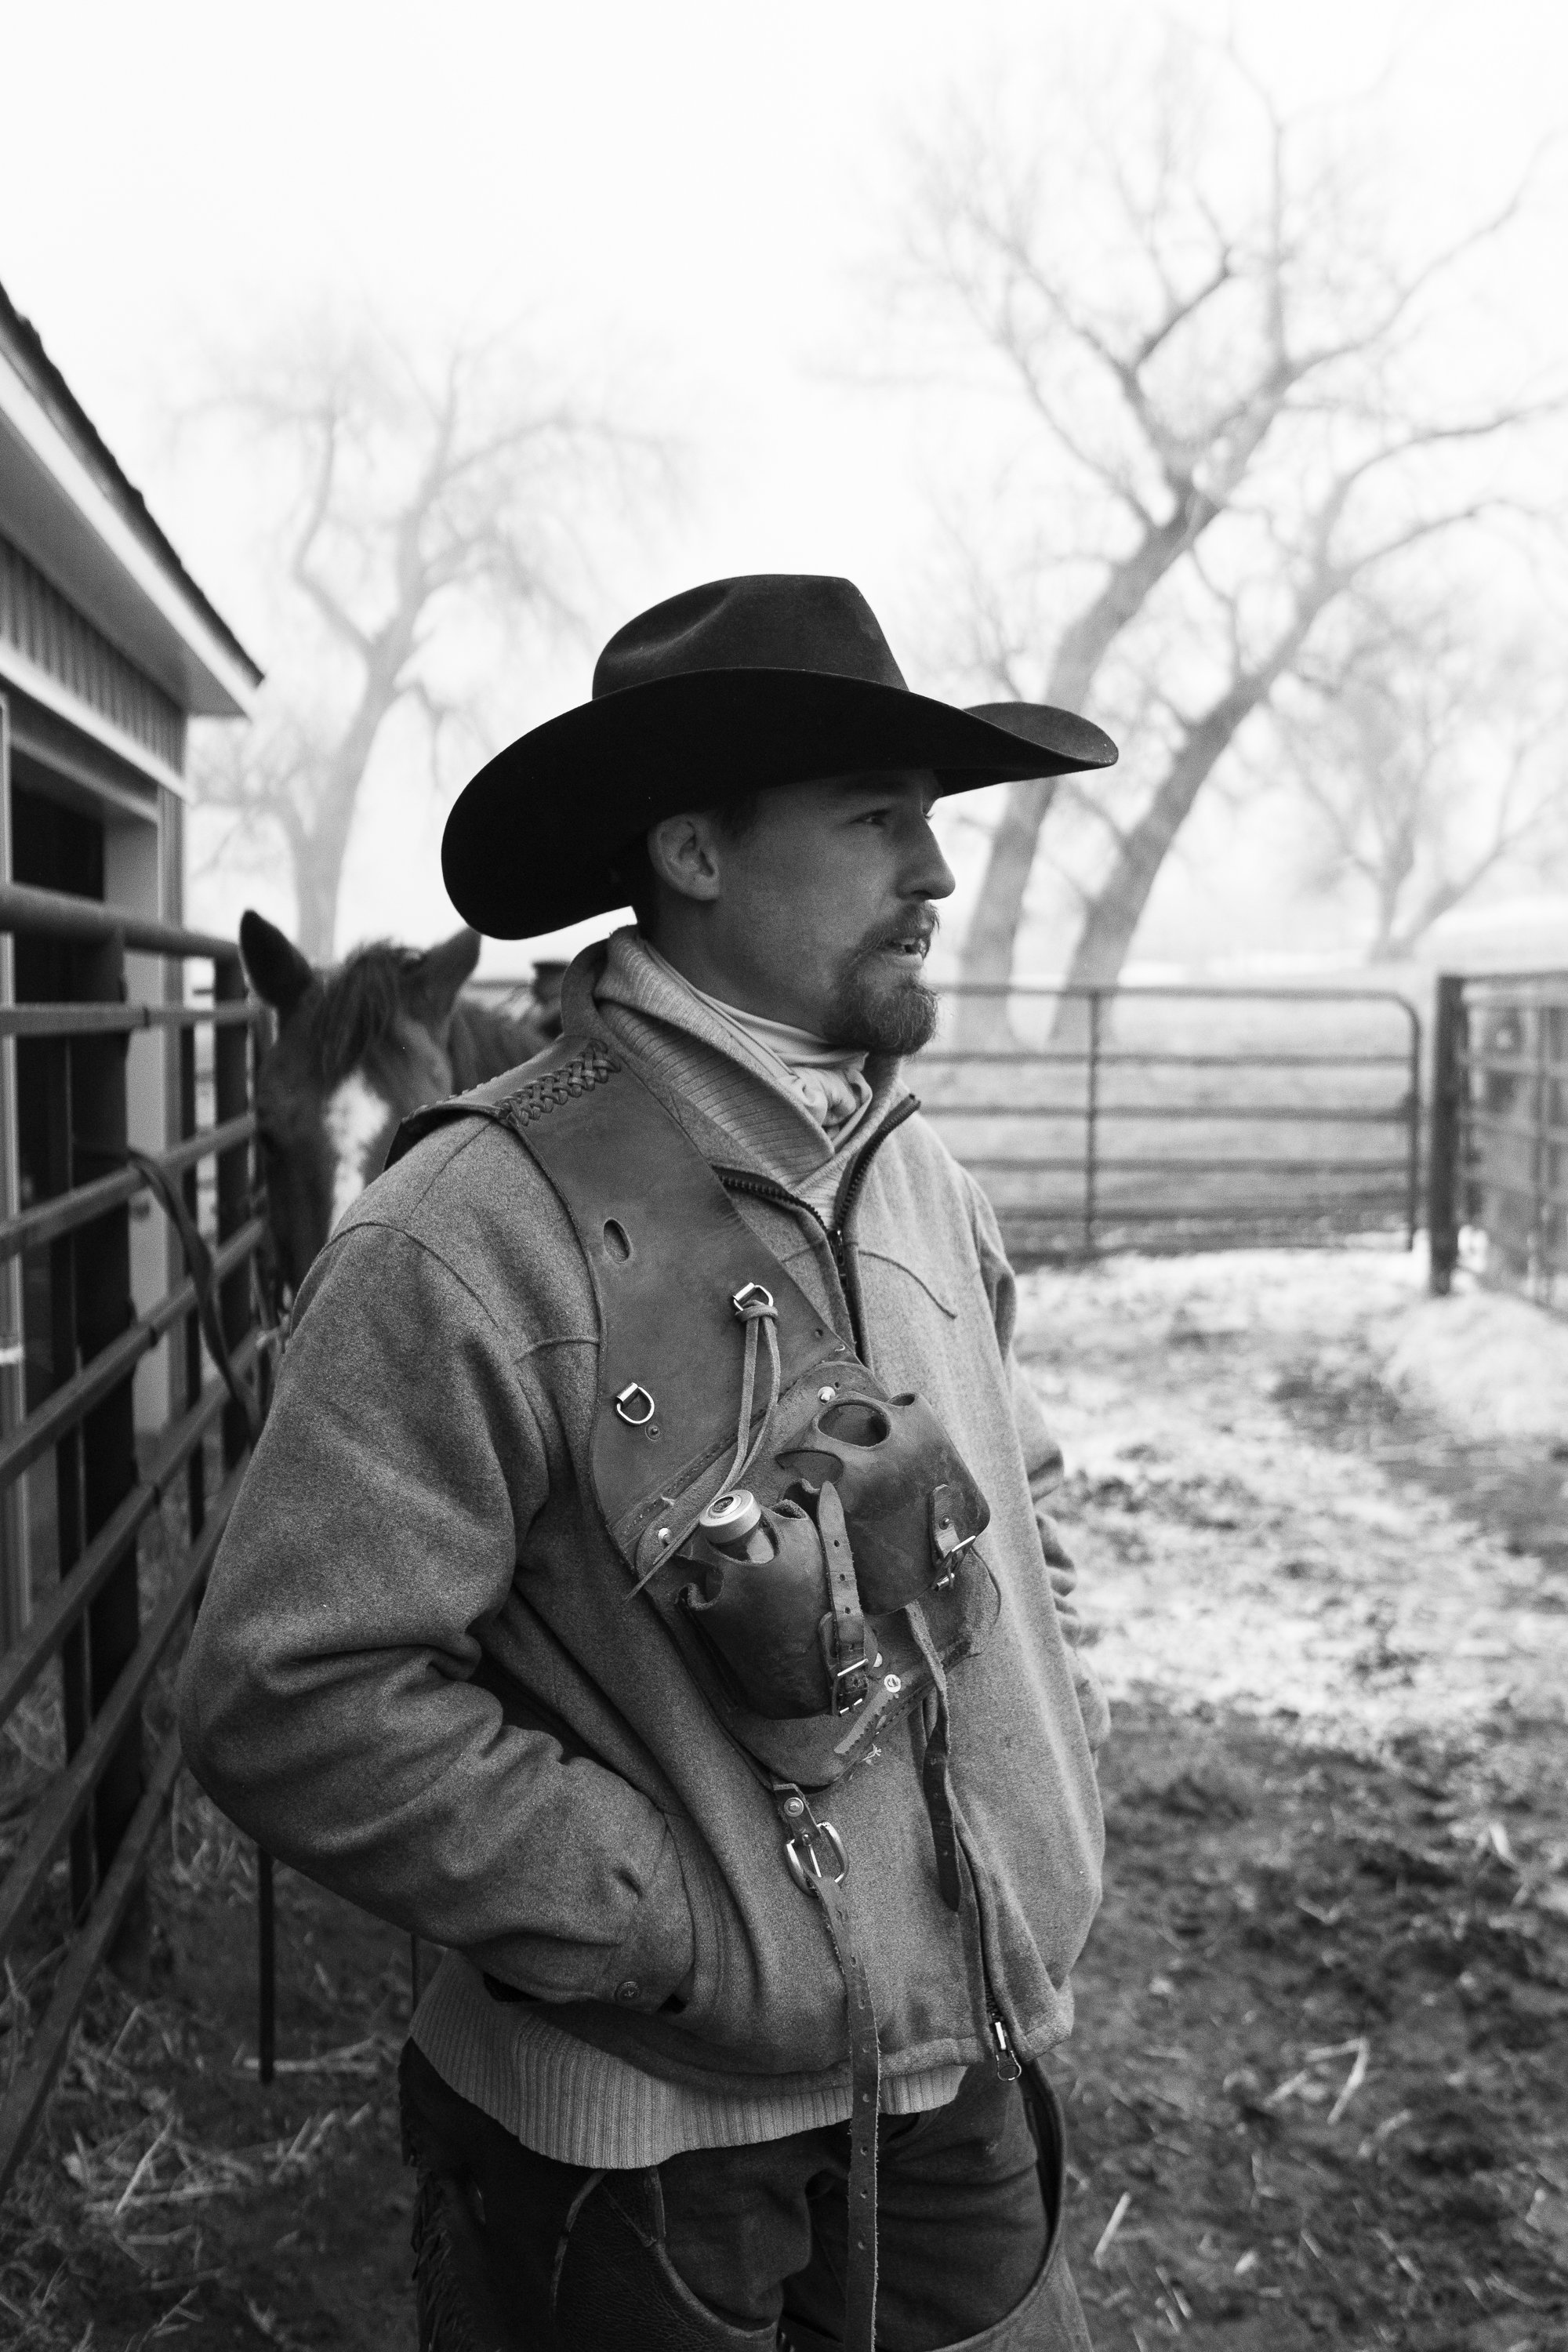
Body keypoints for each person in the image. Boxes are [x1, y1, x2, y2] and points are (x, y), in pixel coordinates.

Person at [180, 574, 1118, 2352]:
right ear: (691, 852)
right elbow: (288, 1691)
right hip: (639, 2153)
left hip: (958, 2067)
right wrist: (666, 1914)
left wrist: (1033, 1756)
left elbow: (1016, 1489)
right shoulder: (463, 1233)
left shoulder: (916, 1175)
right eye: (873, 824)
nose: (934, 876)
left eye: (929, 827)